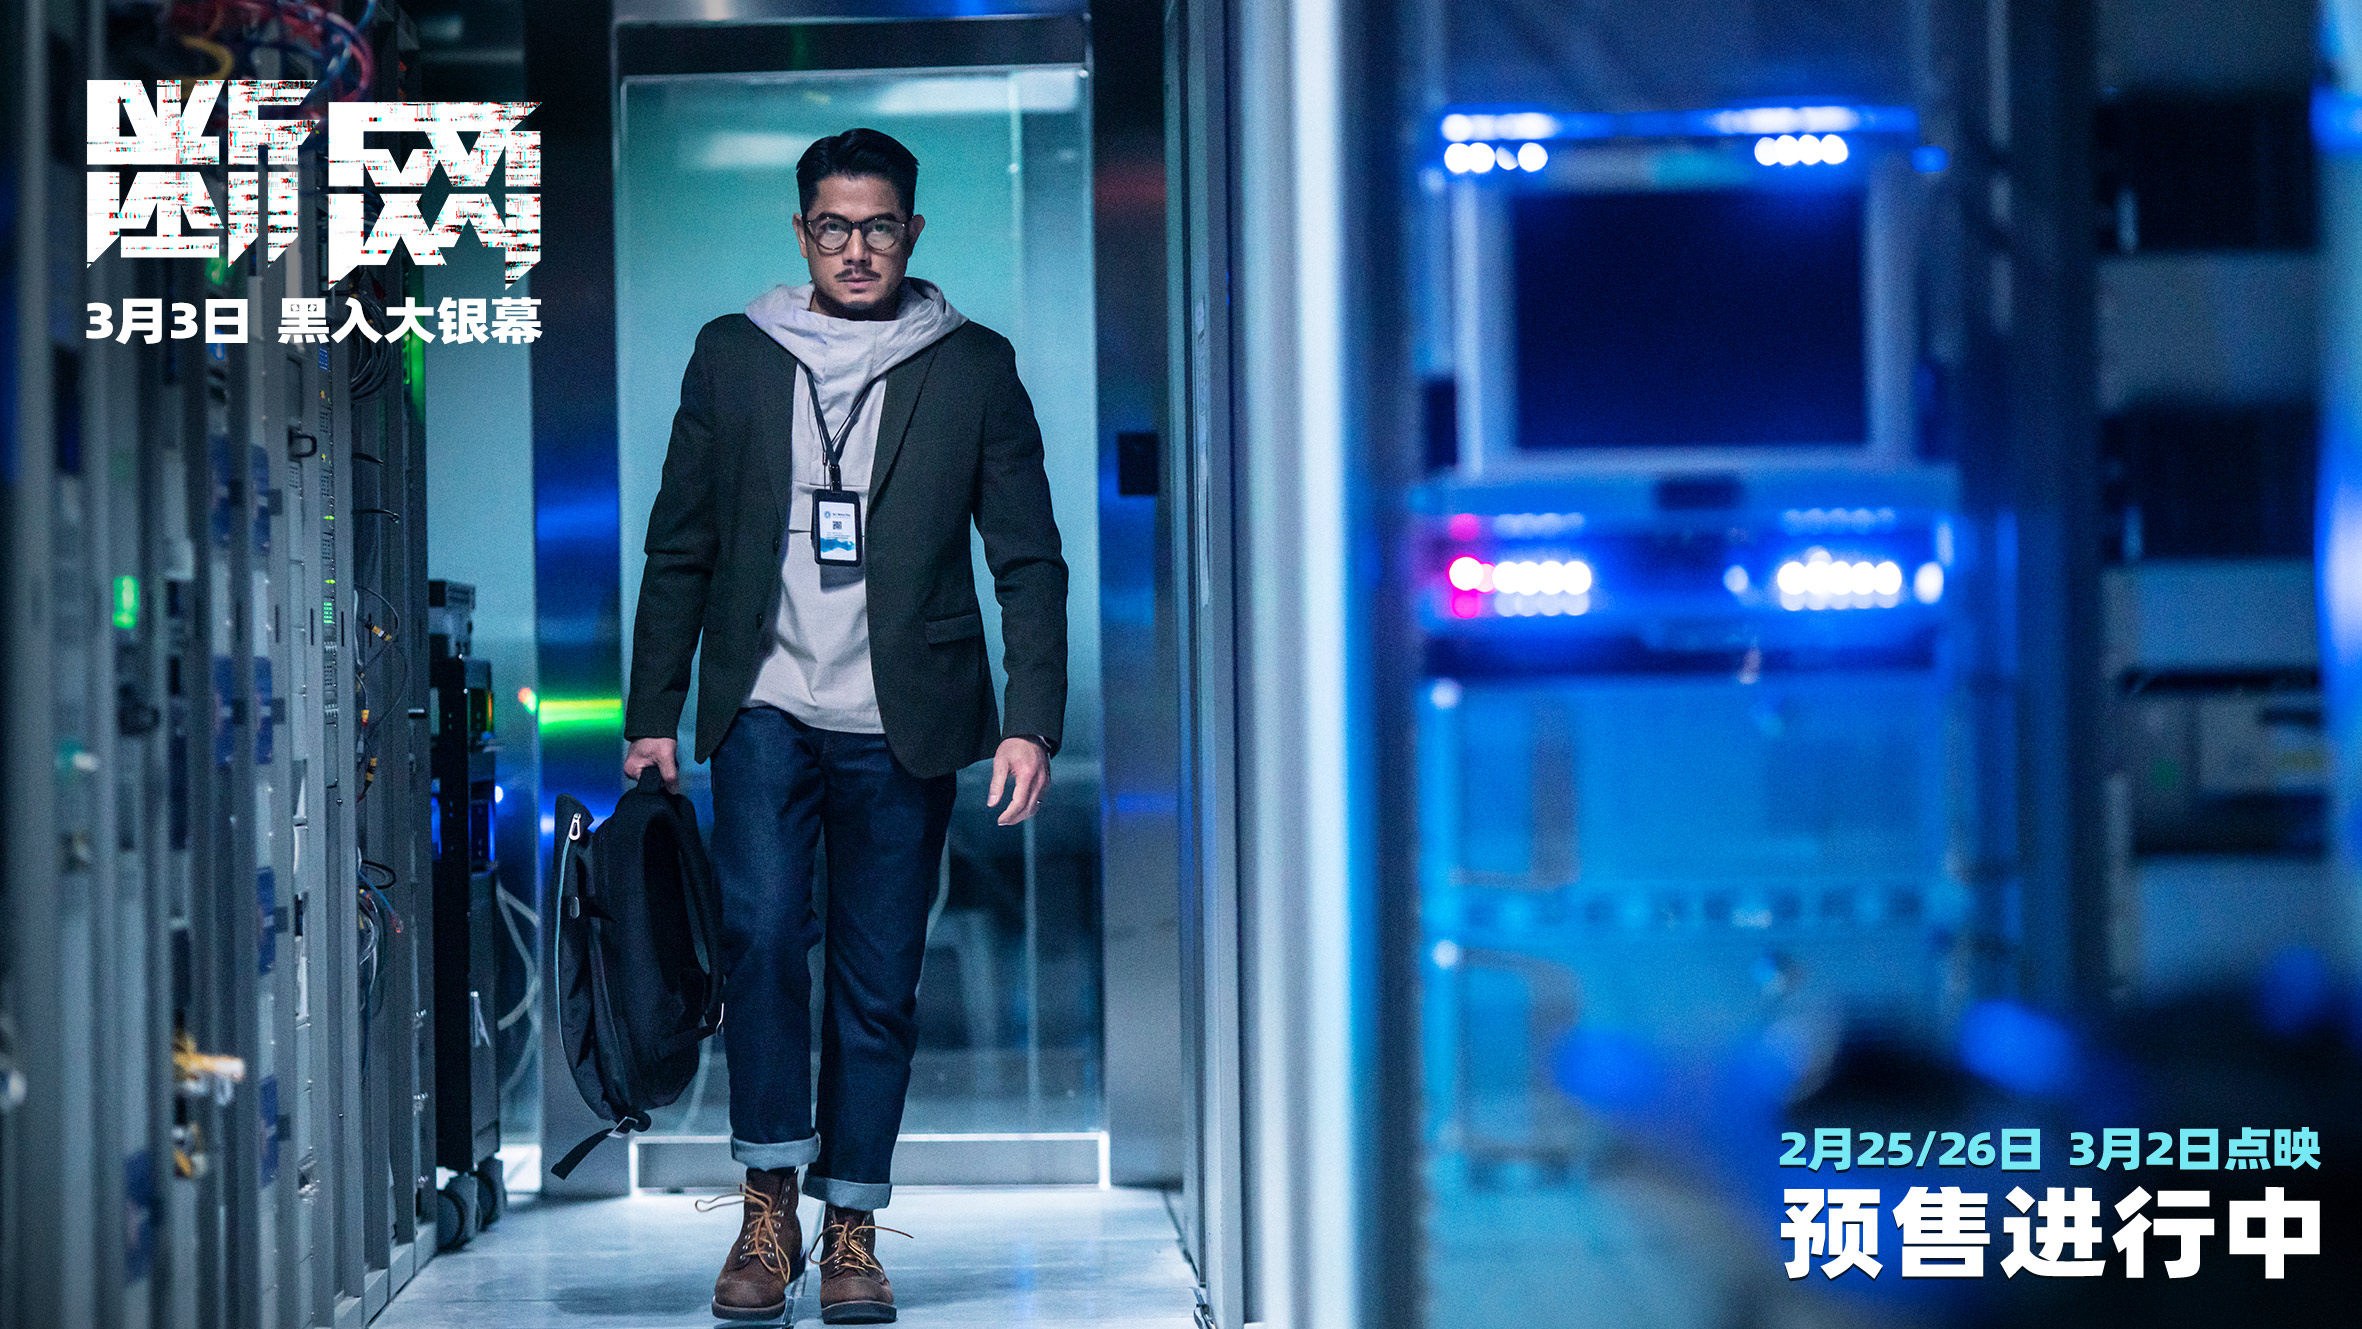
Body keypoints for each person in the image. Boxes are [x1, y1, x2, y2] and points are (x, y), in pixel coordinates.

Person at [622, 126, 1068, 1325]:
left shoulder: (972, 365)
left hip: (901, 717)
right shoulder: (733, 353)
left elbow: (1027, 558)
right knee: (764, 939)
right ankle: (767, 1213)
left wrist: (1030, 720)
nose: (856, 249)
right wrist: (651, 711)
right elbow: (680, 545)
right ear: (801, 230)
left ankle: (854, 1225)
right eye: (833, 227)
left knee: (877, 979)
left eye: (877, 228)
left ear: (911, 232)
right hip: (763, 702)